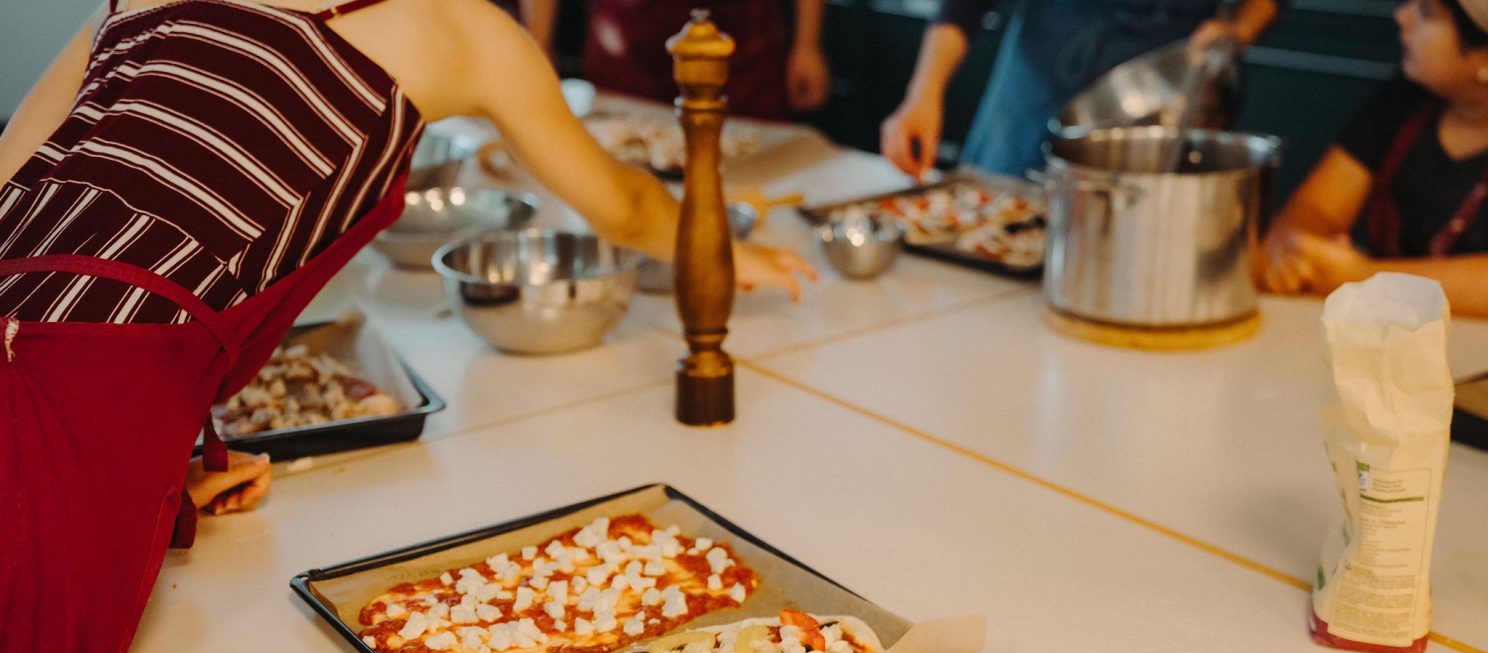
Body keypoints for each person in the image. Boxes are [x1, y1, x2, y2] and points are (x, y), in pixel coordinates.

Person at [0, 1, 814, 653]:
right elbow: (626, 208)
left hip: (63, 393)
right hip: (67, 423)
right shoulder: (460, 28)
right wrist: (722, 249)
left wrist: (147, 467)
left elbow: (18, 196)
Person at [1258, 0, 1488, 317]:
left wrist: (1365, 278)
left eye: (1427, 13)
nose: (1402, 16)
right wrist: (1296, 251)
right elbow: (1316, 209)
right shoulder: (1407, 97)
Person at [881, 0, 1279, 179]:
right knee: (990, 224)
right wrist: (923, 94)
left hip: (1160, 85)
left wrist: (1238, 29)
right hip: (1037, 72)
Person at [523, 0, 831, 120]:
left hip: (741, 42)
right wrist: (536, 44)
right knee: (624, 162)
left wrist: (808, 42)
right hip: (626, 41)